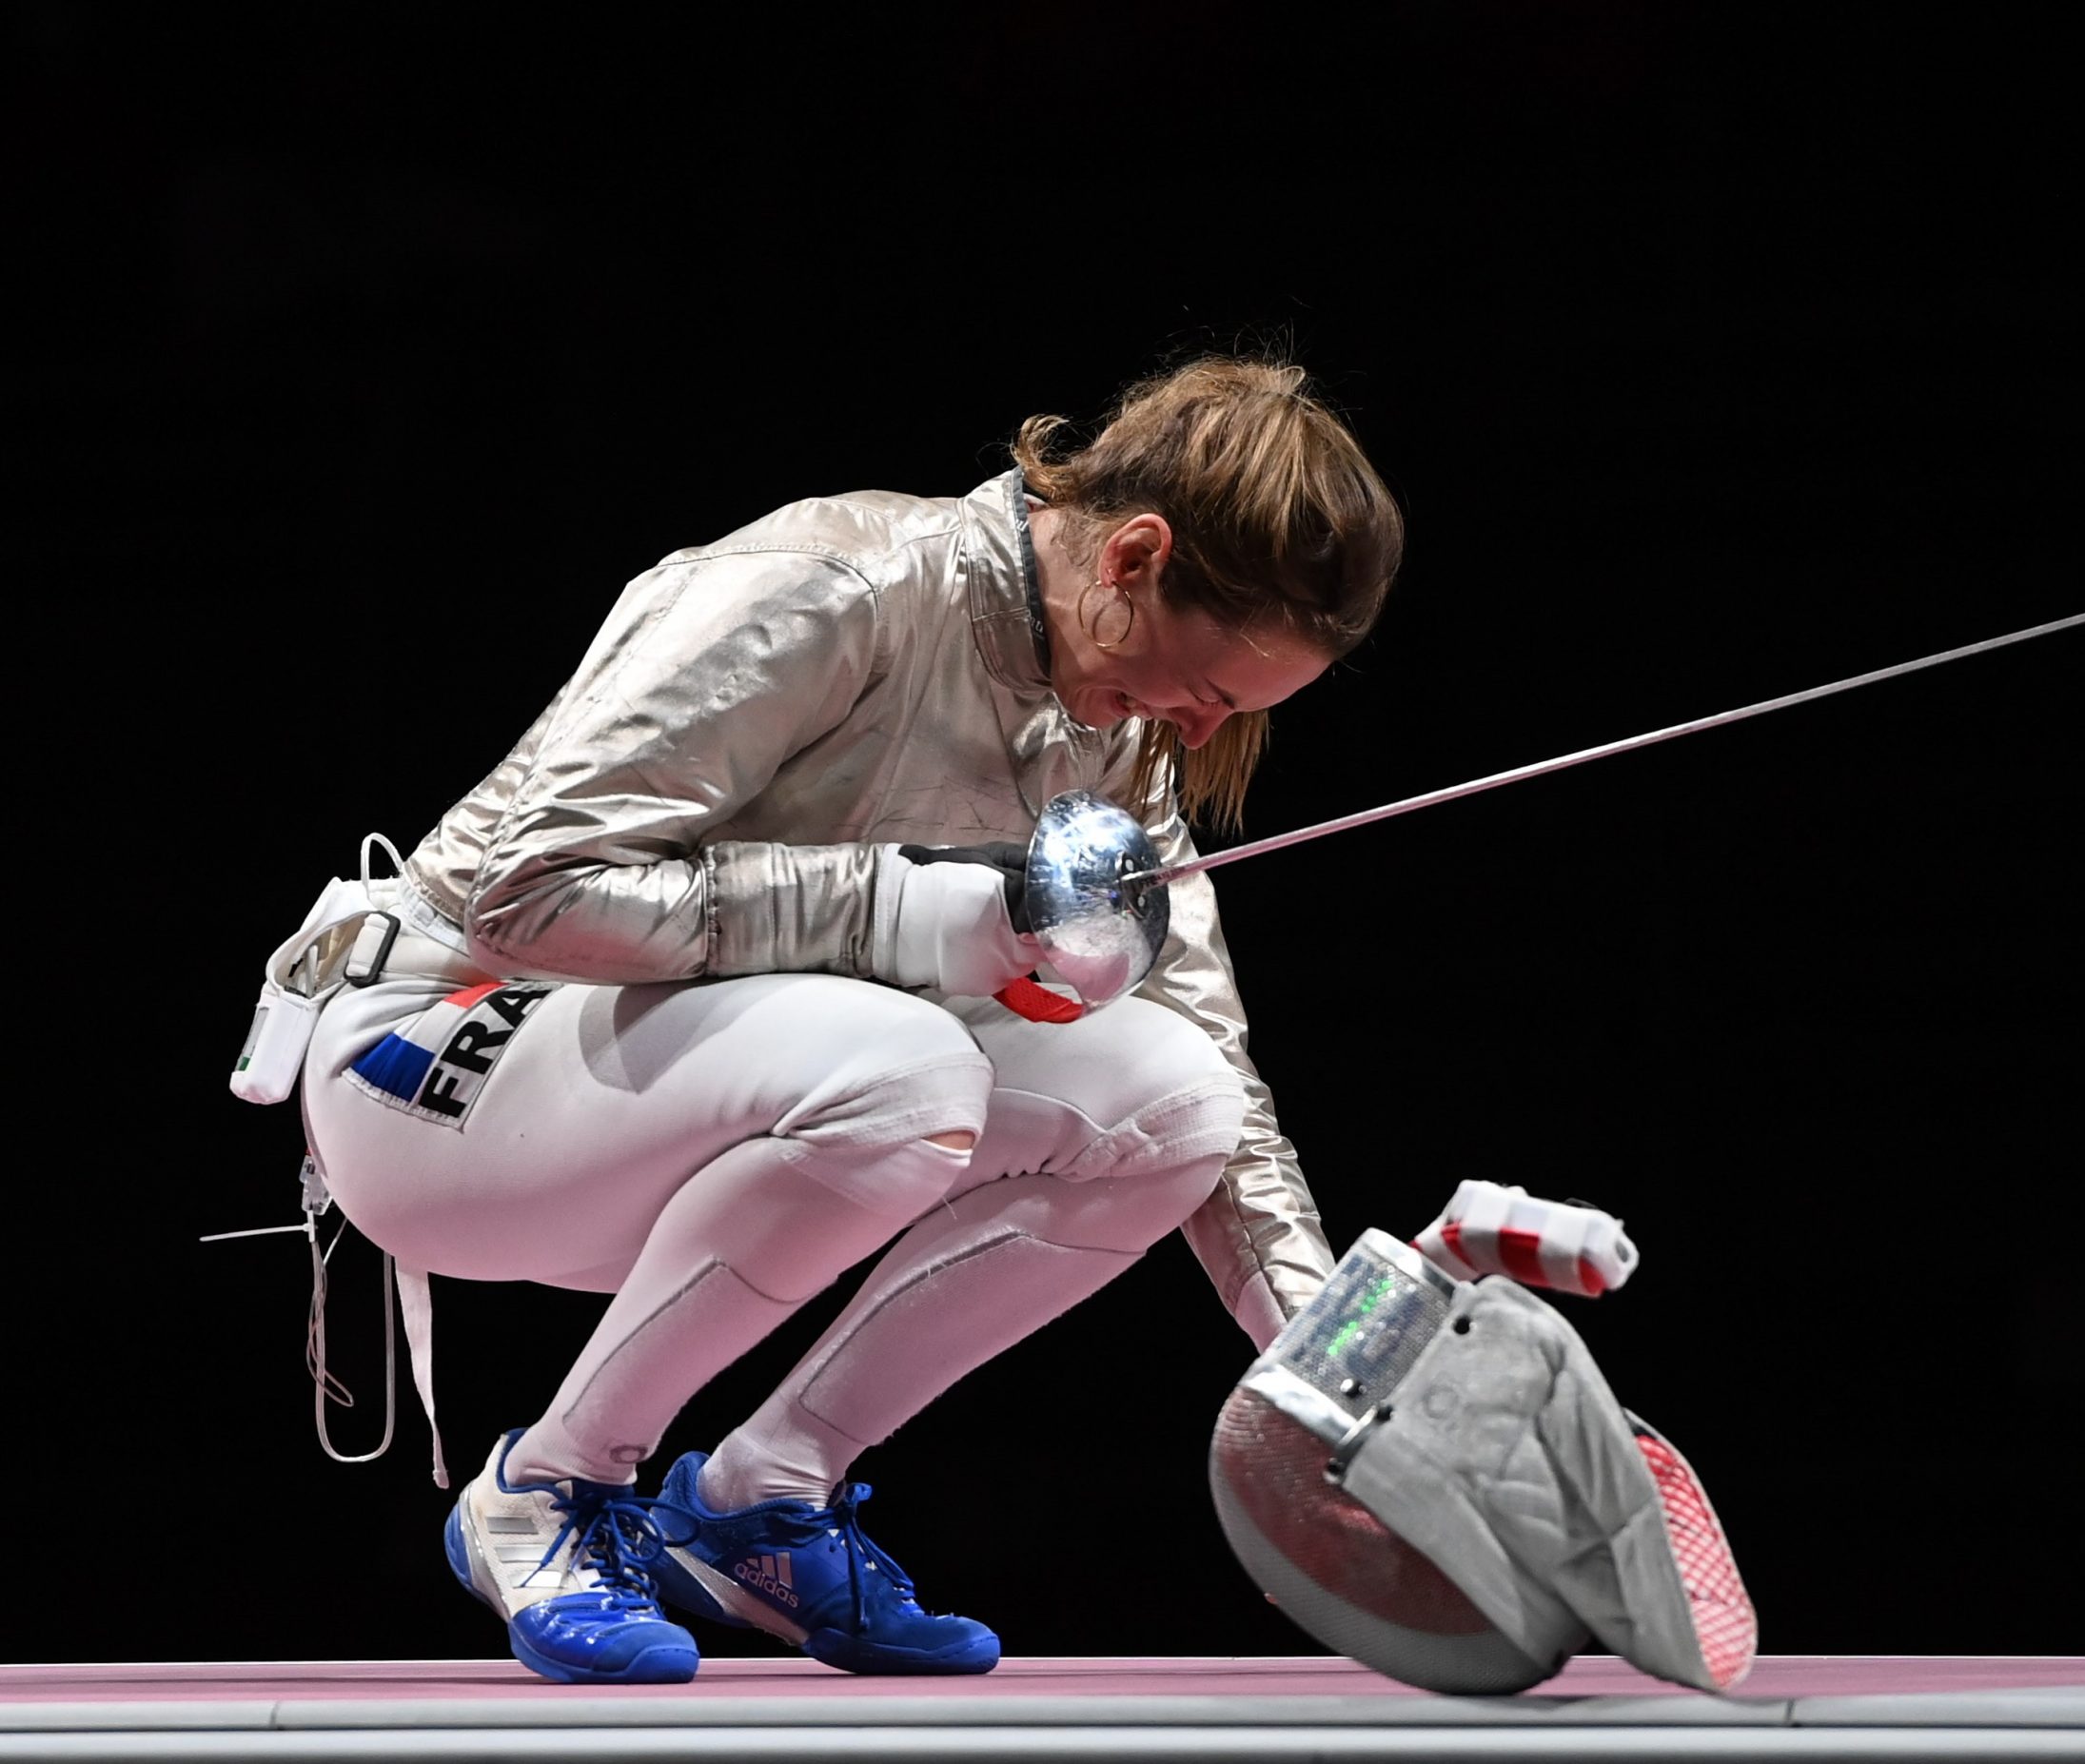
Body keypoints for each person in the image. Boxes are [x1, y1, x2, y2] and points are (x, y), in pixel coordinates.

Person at [284, 355, 1406, 1685]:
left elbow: (1214, 1066)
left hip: (734, 1103)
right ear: (1135, 556)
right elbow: (522, 894)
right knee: (910, 1060)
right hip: (443, 1042)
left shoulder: (1115, 729)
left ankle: (765, 1499)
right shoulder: (837, 585)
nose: (1191, 726)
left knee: (1176, 1103)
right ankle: (547, 1487)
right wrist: (895, 913)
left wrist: (1342, 1379)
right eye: (1203, 688)